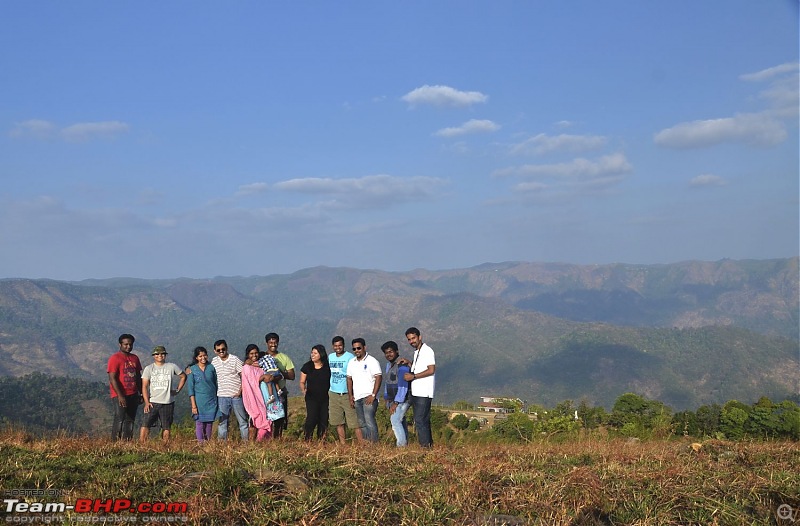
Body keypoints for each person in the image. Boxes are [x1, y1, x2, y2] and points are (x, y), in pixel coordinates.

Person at [140, 346, 186, 442]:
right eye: (157, 354)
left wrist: (177, 390)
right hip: (153, 401)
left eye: (162, 353)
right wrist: (146, 402)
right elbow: (144, 386)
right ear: (153, 356)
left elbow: (183, 376)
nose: (160, 356)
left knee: (166, 426)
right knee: (145, 424)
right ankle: (142, 444)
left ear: (165, 355)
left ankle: (165, 445)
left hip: (167, 402)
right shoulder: (149, 369)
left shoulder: (171, 366)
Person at [403, 327, 436, 448]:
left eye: (413, 338)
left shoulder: (427, 351)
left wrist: (414, 376)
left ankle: (424, 448)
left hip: (424, 392)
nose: (412, 341)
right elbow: (420, 368)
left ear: (419, 337)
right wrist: (409, 364)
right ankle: (429, 446)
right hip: (416, 392)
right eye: (409, 339)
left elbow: (431, 370)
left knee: (420, 421)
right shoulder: (417, 352)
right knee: (424, 421)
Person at [328, 336, 363, 444]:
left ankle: (362, 444)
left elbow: (353, 375)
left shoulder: (350, 357)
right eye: (335, 345)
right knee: (339, 422)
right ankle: (343, 445)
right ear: (333, 346)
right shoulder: (330, 357)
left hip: (347, 393)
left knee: (354, 422)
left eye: (340, 345)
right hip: (333, 393)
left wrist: (352, 394)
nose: (338, 348)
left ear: (343, 345)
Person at [258, 333, 295, 438]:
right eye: (270, 342)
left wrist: (279, 373)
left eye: (275, 342)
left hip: (280, 391)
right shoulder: (261, 356)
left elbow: (292, 376)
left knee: (280, 418)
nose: (273, 345)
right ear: (266, 343)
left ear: (278, 343)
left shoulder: (284, 358)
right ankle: (265, 439)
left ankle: (277, 440)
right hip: (265, 393)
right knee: (266, 417)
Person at [212, 339, 249, 441]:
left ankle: (246, 444)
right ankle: (221, 445)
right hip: (222, 396)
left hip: (236, 396)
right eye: (218, 350)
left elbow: (244, 375)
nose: (221, 351)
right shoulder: (214, 361)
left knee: (242, 421)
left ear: (227, 348)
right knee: (222, 422)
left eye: (223, 349)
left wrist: (240, 391)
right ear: (215, 351)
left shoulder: (234, 359)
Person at [346, 338, 382, 443]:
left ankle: (374, 445)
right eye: (354, 349)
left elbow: (378, 377)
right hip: (357, 397)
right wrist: (350, 396)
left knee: (369, 421)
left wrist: (373, 395)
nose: (356, 350)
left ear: (364, 347)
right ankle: (367, 445)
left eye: (359, 348)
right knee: (362, 423)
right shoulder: (351, 362)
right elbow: (349, 378)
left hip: (369, 397)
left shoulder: (372, 361)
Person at [107, 333, 142, 440]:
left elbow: (137, 377)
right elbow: (112, 378)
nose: (128, 347)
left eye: (130, 344)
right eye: (126, 344)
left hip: (133, 393)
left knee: (130, 419)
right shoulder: (115, 358)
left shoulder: (134, 358)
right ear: (120, 345)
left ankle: (127, 442)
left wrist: (141, 393)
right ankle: (115, 442)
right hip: (120, 394)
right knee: (119, 418)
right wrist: (120, 396)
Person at [381, 340, 411, 447]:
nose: (388, 354)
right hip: (392, 399)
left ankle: (401, 447)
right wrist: (386, 397)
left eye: (391, 352)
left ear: (397, 351)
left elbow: (403, 386)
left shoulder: (401, 365)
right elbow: (387, 382)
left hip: (402, 400)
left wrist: (396, 402)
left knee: (395, 421)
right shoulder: (389, 366)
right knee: (400, 421)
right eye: (386, 353)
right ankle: (405, 445)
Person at [187, 346, 218, 443]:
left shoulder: (211, 367)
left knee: (209, 423)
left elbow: (216, 382)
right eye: (200, 356)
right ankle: (201, 443)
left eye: (204, 355)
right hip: (199, 400)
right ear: (196, 358)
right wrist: (193, 405)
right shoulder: (192, 370)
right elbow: (190, 389)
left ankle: (208, 443)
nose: (203, 358)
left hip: (211, 399)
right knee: (200, 423)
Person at [299, 344, 331, 440]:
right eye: (312, 352)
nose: (313, 355)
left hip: (325, 397)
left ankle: (321, 440)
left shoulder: (327, 367)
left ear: (321, 354)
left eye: (315, 353)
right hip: (311, 397)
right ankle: (307, 438)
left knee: (323, 419)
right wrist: (303, 389)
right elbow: (302, 381)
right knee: (311, 418)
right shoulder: (307, 366)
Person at [241, 344, 272, 441]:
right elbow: (249, 383)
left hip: (264, 397)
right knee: (254, 420)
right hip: (253, 398)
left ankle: (261, 442)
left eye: (256, 353)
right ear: (247, 354)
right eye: (251, 353)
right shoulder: (246, 367)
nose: (254, 355)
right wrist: (262, 378)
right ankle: (253, 443)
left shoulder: (261, 365)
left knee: (267, 418)